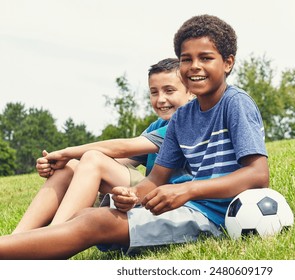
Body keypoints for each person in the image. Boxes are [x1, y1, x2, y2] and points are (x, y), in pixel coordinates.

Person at [0, 14, 269, 260]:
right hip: (186, 208)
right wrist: (132, 194)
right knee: (86, 215)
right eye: (186, 59)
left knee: (93, 223)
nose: (194, 66)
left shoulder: (236, 104)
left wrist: (188, 190)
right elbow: (156, 179)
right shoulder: (181, 118)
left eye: (206, 58)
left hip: (216, 217)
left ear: (228, 63)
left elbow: (257, 175)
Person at [12, 57, 194, 234]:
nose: (161, 99)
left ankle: (53, 235)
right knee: (73, 166)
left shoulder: (185, 123)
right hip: (147, 191)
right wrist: (62, 162)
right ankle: (16, 237)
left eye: (169, 90)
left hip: (168, 197)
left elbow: (123, 148)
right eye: (154, 92)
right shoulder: (158, 125)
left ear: (190, 92)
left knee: (92, 158)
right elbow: (120, 161)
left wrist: (66, 152)